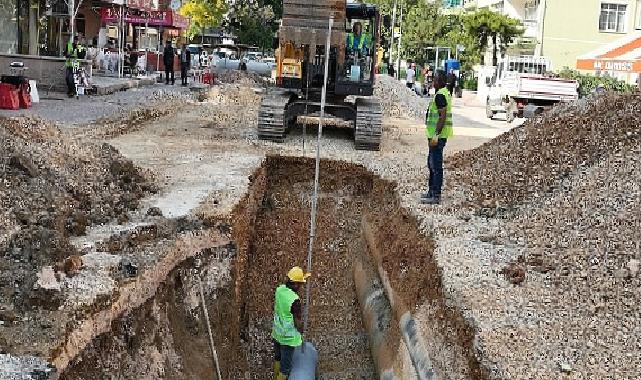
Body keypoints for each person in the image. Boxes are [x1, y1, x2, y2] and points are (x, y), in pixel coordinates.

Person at [272, 266, 310, 380]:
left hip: (277, 333)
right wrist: (302, 330)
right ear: (296, 284)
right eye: (300, 284)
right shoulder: (294, 300)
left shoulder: (279, 290)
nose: (301, 287)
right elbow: (297, 324)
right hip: (287, 339)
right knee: (285, 369)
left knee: (278, 358)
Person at [422, 70, 453, 205]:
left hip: (437, 136)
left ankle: (435, 194)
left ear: (439, 81)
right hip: (436, 135)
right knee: (431, 163)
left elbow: (442, 116)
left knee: (436, 165)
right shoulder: (443, 93)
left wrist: (435, 135)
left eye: (434, 79)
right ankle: (431, 192)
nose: (433, 81)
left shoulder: (440, 95)